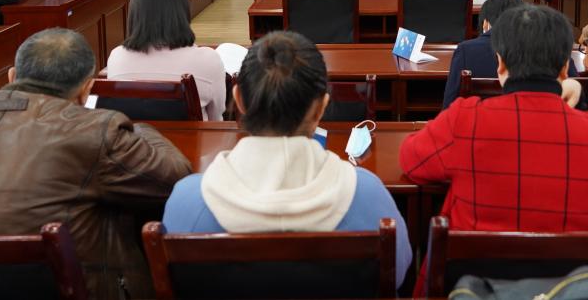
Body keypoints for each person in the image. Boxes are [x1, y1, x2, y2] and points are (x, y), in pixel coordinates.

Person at [0, 28, 192, 300]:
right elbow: (176, 177)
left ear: (12, 75)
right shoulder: (96, 130)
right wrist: (140, 129)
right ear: (86, 89)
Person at [162, 30, 411, 287]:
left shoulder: (187, 201)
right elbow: (397, 276)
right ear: (320, 108)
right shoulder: (368, 195)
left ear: (239, 101)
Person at [400, 4, 588, 234]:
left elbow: (410, 160)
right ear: (565, 68)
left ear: (501, 64)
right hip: (569, 259)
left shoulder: (465, 119)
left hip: (475, 256)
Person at [107, 0, 227, 120]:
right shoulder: (208, 60)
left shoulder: (117, 57)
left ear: (135, 14)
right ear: (182, 12)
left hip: (134, 135)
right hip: (190, 136)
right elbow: (216, 117)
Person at [441, 0, 523, 107]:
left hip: (476, 117)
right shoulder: (532, 50)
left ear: (485, 23)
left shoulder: (465, 50)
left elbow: (449, 104)